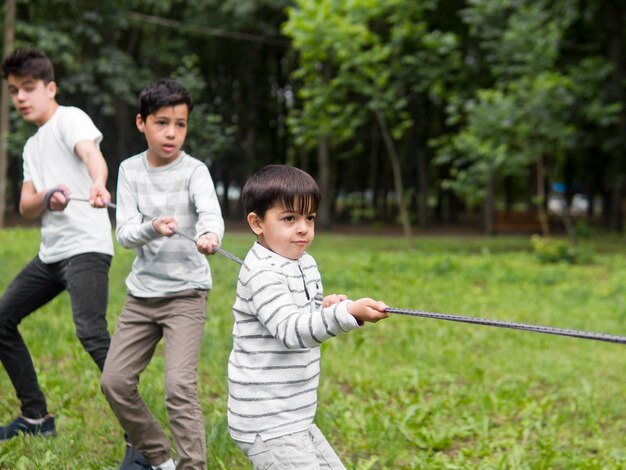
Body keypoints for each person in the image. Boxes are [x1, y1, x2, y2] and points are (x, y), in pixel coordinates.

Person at [227, 164, 389, 469]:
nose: (303, 228)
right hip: (267, 419)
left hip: (294, 414)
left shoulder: (305, 263)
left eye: (309, 218)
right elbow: (291, 330)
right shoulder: (261, 272)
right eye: (290, 218)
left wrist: (327, 308)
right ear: (257, 223)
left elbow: (307, 317)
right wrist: (346, 313)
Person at [100, 78, 224, 470]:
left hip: (186, 294)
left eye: (181, 124)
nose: (172, 133)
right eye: (162, 122)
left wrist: (209, 235)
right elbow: (124, 234)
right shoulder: (129, 170)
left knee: (178, 388)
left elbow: (210, 215)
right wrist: (152, 226)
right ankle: (158, 457)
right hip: (141, 296)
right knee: (114, 382)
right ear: (142, 123)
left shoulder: (195, 171)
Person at [0, 47, 115, 442]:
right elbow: (26, 205)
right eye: (14, 90)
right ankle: (36, 418)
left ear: (50, 88)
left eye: (28, 88)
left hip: (86, 247)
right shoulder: (32, 146)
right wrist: (48, 195)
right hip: (52, 256)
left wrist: (97, 182)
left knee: (91, 333)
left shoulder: (70, 119)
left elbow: (91, 155)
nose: (20, 98)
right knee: (1, 319)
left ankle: (142, 436)